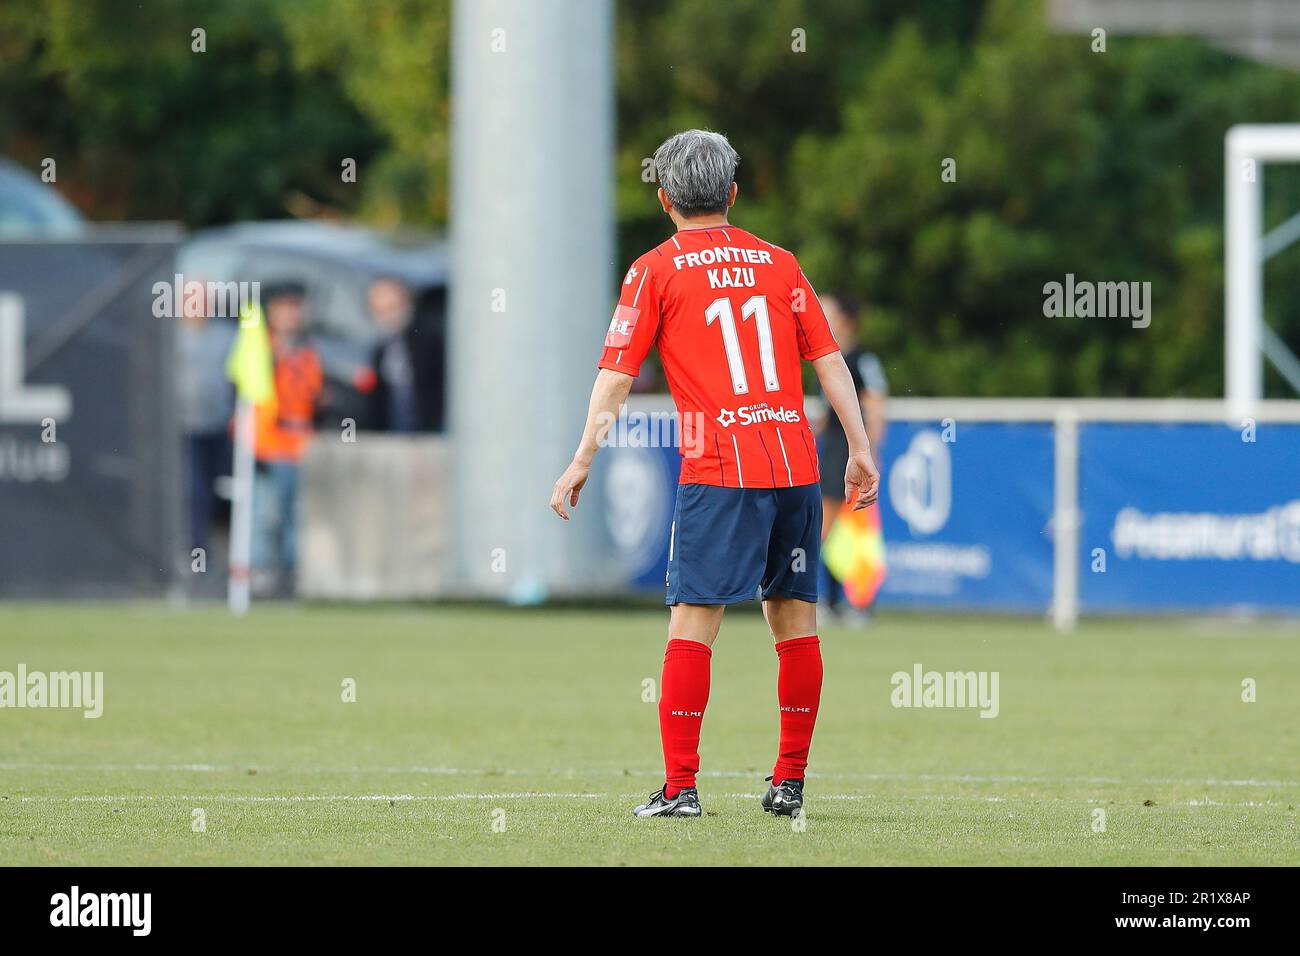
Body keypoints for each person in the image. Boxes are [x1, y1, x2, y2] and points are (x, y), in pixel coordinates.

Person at [549, 129, 879, 819]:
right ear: (732, 193)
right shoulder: (780, 263)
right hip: (791, 463)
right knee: (795, 623)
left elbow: (615, 378)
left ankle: (681, 788)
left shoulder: (654, 269)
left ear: (665, 198)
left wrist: (583, 458)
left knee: (693, 621)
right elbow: (829, 361)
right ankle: (788, 783)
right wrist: (857, 446)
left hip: (719, 467)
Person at [816, 294, 888, 617]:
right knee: (828, 527)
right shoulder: (825, 358)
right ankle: (832, 603)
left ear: (845, 319)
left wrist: (870, 449)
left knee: (855, 525)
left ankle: (860, 603)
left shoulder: (861, 360)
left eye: (826, 310)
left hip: (851, 449)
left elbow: (875, 404)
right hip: (831, 448)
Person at [251, 282, 323, 596]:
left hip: (301, 449)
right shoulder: (257, 349)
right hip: (268, 448)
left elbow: (314, 399)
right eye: (284, 307)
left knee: (298, 521)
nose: (291, 315)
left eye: (296, 307)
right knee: (267, 515)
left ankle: (292, 581)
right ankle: (260, 578)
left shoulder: (307, 352)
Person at [177, 284, 236, 558]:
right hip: (184, 427)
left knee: (212, 488)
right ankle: (194, 547)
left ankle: (204, 545)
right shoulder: (173, 338)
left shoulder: (225, 337)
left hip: (218, 425)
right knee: (194, 487)